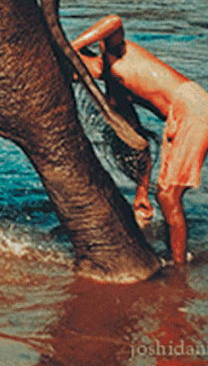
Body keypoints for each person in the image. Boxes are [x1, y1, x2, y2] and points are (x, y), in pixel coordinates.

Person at [72, 14, 208, 264]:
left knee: (168, 195)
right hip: (178, 117)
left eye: (72, 69)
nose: (74, 79)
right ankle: (175, 256)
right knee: (165, 195)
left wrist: (71, 47)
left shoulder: (112, 51)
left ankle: (178, 270)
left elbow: (113, 21)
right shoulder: (115, 93)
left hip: (191, 105)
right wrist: (141, 192)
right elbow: (138, 141)